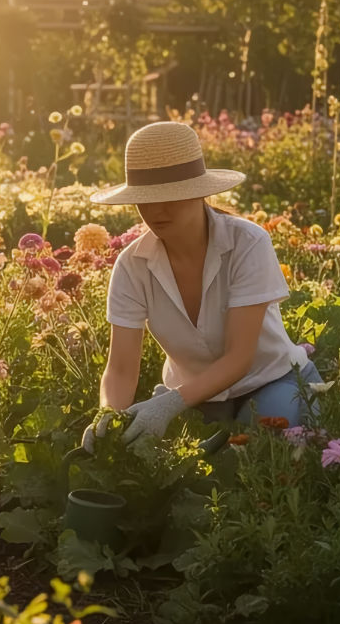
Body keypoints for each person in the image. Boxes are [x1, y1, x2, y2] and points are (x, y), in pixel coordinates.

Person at [84, 121, 318, 449]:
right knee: (162, 464)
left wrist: (168, 405)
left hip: (270, 380)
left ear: (200, 192)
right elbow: (121, 369)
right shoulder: (131, 266)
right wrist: (108, 415)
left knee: (267, 448)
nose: (155, 210)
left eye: (169, 197)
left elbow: (240, 357)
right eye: (145, 199)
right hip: (192, 397)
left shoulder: (247, 243)